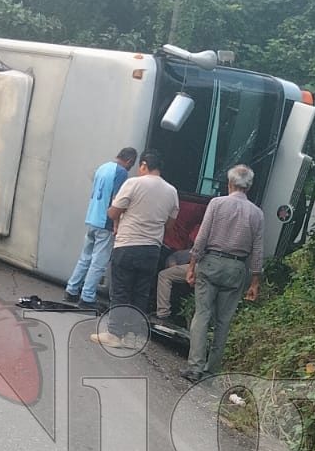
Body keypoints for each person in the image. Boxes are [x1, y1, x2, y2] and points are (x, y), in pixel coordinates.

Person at [180, 164, 264, 381]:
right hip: (237, 268)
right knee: (224, 321)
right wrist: (255, 282)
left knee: (202, 315)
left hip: (210, 263)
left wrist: (191, 266)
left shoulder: (217, 204)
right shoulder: (257, 214)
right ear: (250, 186)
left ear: (230, 183)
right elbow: (257, 250)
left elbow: (202, 237)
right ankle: (211, 370)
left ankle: (195, 367)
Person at [93, 150, 178, 347]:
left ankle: (114, 334)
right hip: (152, 249)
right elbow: (170, 225)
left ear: (144, 165)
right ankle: (132, 336)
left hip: (128, 244)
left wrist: (114, 209)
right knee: (140, 293)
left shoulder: (133, 183)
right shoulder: (171, 191)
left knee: (121, 290)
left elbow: (114, 213)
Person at [65, 146, 137, 307]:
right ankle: (87, 297)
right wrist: (116, 224)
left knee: (85, 257)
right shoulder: (121, 172)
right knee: (99, 262)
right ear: (130, 161)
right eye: (131, 165)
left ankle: (71, 290)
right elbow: (116, 200)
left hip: (92, 217)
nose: (130, 168)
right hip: (105, 222)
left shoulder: (102, 168)